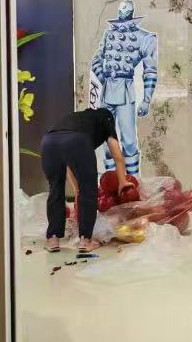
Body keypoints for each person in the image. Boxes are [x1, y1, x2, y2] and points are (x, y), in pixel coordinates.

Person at [40, 107, 128, 253]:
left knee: (55, 187)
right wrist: (123, 181)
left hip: (48, 142)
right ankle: (86, 241)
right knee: (89, 190)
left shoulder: (77, 118)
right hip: (78, 141)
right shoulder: (106, 118)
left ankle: (52, 239)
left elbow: (70, 162)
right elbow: (118, 157)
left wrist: (76, 189)